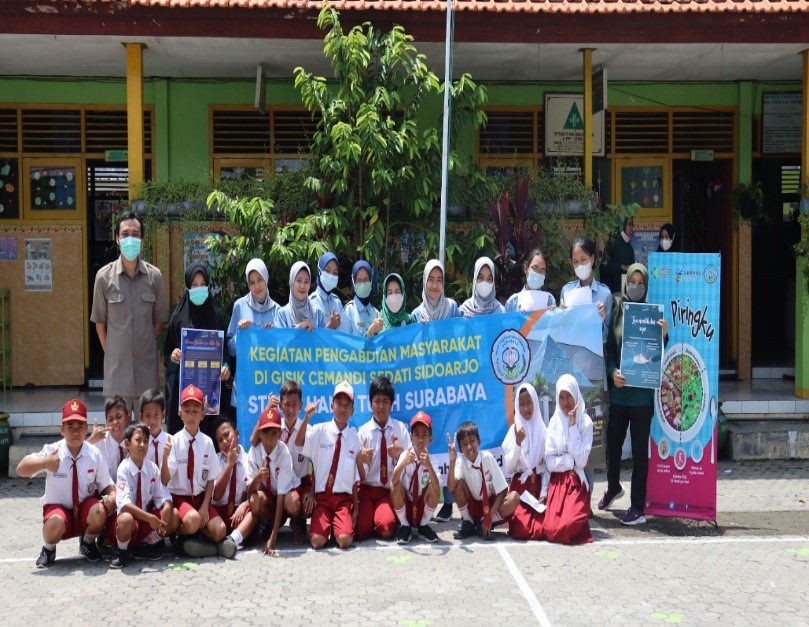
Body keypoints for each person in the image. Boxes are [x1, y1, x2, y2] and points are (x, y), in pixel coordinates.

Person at [600, 262, 668, 526]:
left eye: (641, 283)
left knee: (640, 451)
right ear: (626, 282)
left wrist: (664, 335)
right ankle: (613, 487)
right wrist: (613, 372)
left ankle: (638, 507)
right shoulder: (619, 310)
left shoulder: (653, 315)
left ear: (646, 286)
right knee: (613, 444)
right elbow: (610, 351)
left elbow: (657, 354)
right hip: (620, 393)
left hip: (641, 398)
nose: (636, 286)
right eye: (632, 282)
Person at [16, 399, 115, 568]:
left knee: (100, 510)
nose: (75, 432)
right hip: (58, 511)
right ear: (61, 429)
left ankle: (87, 542)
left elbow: (107, 486)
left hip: (84, 510)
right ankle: (49, 549)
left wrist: (112, 497)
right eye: (70, 427)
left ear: (86, 428)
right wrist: (44, 463)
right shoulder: (53, 451)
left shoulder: (94, 454)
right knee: (54, 524)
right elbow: (21, 469)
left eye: (80, 426)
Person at [91, 211, 168, 412]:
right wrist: (114, 351)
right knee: (117, 430)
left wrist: (142, 343)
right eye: (125, 234)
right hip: (117, 378)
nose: (130, 239)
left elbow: (159, 322)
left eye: (135, 234)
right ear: (117, 238)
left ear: (142, 240)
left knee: (148, 430)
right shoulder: (104, 278)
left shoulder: (154, 277)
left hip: (147, 377)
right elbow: (100, 323)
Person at [411, 259, 461, 521]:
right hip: (426, 388)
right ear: (424, 282)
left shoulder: (452, 308)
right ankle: (424, 498)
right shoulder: (416, 314)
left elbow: (465, 335)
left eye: (439, 280)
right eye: (431, 279)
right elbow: (407, 348)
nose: (434, 285)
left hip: (449, 388)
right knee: (428, 442)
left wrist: (468, 323)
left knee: (448, 441)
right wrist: (419, 331)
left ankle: (449, 501)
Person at [161, 384, 235, 559]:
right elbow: (164, 480)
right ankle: (180, 537)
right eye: (187, 411)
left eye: (195, 411)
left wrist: (204, 506)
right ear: (180, 413)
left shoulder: (207, 442)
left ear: (203, 414)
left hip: (201, 499)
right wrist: (164, 457)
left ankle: (202, 542)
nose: (191, 416)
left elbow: (210, 479)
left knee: (220, 529)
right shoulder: (174, 441)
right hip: (181, 498)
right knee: (193, 520)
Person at [164, 263, 230, 435]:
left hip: (211, 394)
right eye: (194, 285)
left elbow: (225, 354)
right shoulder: (178, 318)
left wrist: (226, 367)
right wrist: (173, 357)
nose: (199, 288)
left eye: (202, 284)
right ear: (187, 286)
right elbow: (167, 356)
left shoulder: (216, 317)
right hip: (185, 395)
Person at [295, 381, 361, 550]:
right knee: (317, 542)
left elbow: (354, 478)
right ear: (332, 406)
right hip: (322, 498)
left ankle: (338, 528)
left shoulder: (354, 438)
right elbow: (299, 443)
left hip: (343, 499)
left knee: (345, 541)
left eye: (347, 405)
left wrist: (355, 508)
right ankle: (326, 528)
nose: (342, 409)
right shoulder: (319, 430)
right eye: (339, 403)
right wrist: (306, 418)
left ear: (352, 411)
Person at [111, 422, 177, 569]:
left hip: (145, 522)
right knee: (126, 519)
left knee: (174, 514)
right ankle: (122, 551)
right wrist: (150, 518)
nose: (142, 445)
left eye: (146, 441)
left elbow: (161, 496)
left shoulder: (152, 468)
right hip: (130, 524)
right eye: (138, 440)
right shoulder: (123, 468)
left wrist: (167, 506)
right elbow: (125, 505)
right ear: (127, 444)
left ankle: (145, 545)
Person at [259, 380, 318, 544]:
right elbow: (254, 439)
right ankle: (274, 523)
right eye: (286, 404)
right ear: (280, 405)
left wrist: (312, 492)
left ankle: (297, 519)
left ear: (301, 406)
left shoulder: (308, 428)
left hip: (300, 482)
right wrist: (267, 408)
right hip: (277, 484)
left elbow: (317, 462)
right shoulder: (274, 426)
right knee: (266, 500)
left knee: (297, 504)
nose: (291, 409)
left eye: (295, 405)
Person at [356, 376, 411, 540]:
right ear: (370, 403)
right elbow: (353, 468)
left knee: (386, 529)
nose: (381, 406)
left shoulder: (400, 429)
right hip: (366, 489)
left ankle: (380, 516)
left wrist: (401, 453)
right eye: (377, 401)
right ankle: (370, 516)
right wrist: (359, 457)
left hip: (388, 490)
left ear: (391, 404)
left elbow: (412, 461)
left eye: (385, 401)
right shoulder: (363, 432)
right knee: (360, 530)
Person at [543, 374, 593, 545]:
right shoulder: (553, 423)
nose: (565, 402)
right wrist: (569, 462)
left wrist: (572, 426)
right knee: (551, 530)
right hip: (558, 482)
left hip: (576, 480)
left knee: (568, 526)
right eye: (561, 397)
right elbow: (550, 462)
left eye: (569, 396)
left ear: (576, 395)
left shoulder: (585, 422)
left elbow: (582, 462)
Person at [449, 421, 519, 540]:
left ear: (479, 441)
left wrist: (489, 517)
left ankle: (482, 525)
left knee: (514, 498)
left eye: (472, 441)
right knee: (458, 483)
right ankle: (468, 522)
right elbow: (451, 487)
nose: (469, 447)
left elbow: (502, 490)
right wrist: (452, 462)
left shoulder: (487, 457)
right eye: (464, 444)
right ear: (460, 449)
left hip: (491, 506)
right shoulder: (461, 461)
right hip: (473, 506)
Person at [227, 258, 279, 418]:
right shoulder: (240, 306)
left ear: (266, 278)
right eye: (252, 282)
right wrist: (240, 333)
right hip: (246, 387)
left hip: (269, 386)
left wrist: (274, 336)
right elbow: (230, 349)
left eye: (260, 280)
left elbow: (284, 352)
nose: (257, 286)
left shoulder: (278, 310)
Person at [247, 407, 301, 556]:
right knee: (254, 501)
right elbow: (249, 492)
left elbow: (282, 496)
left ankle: (295, 520)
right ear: (259, 433)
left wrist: (273, 538)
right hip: (269, 494)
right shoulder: (254, 451)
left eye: (274, 433)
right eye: (265, 433)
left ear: (280, 434)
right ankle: (273, 522)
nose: (269, 438)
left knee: (292, 501)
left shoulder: (284, 452)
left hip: (285, 495)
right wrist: (257, 478)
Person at [391, 411, 440, 544]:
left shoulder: (432, 461)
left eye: (424, 435)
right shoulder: (405, 455)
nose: (420, 439)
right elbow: (393, 481)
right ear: (411, 437)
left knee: (434, 487)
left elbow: (437, 488)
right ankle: (404, 525)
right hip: (406, 505)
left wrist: (429, 466)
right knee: (395, 486)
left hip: (421, 507)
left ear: (430, 439)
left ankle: (423, 526)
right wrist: (404, 463)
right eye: (417, 435)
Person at [212, 416, 257, 552]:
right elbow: (216, 496)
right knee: (207, 514)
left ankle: (231, 541)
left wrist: (243, 506)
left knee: (254, 511)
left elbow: (256, 492)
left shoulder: (249, 459)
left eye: (227, 435)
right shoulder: (215, 461)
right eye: (220, 440)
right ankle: (210, 543)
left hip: (239, 513)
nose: (225, 442)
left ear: (236, 433)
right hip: (220, 511)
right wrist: (229, 464)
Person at [502, 383, 548, 501]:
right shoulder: (514, 431)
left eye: (529, 403)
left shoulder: (543, 432)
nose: (526, 408)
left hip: (539, 487)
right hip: (520, 487)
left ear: (535, 403)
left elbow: (547, 468)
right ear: (517, 407)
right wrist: (518, 443)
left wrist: (544, 493)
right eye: (522, 405)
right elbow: (509, 468)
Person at [277, 261, 339, 330]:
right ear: (292, 282)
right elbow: (280, 337)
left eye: (306, 282)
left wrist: (330, 326)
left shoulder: (317, 313)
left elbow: (322, 336)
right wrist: (299, 328)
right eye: (299, 281)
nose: (302, 286)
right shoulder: (282, 315)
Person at [505, 248, 557, 313]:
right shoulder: (513, 302)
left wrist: (558, 313)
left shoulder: (549, 300)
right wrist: (517, 317)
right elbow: (506, 319)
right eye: (535, 268)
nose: (538, 273)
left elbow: (554, 319)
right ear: (525, 269)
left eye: (542, 270)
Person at [344, 260, 383, 337]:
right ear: (354, 282)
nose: (362, 284)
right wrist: (369, 333)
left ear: (371, 281)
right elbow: (345, 342)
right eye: (359, 280)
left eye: (365, 280)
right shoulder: (349, 311)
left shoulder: (375, 313)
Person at [309, 252, 346, 332]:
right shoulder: (311, 302)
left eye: (335, 273)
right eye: (327, 270)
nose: (331, 275)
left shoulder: (337, 302)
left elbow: (344, 332)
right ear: (319, 271)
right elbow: (310, 337)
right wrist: (330, 326)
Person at [601, 217, 636, 294]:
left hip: (626, 292)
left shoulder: (629, 247)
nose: (631, 228)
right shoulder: (612, 242)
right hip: (613, 290)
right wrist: (621, 266)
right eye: (629, 224)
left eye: (632, 225)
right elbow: (604, 265)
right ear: (622, 225)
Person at [140, 388, 169, 471]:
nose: (152, 421)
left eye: (156, 415)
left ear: (163, 415)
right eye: (147, 416)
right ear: (141, 417)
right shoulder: (139, 444)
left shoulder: (171, 442)